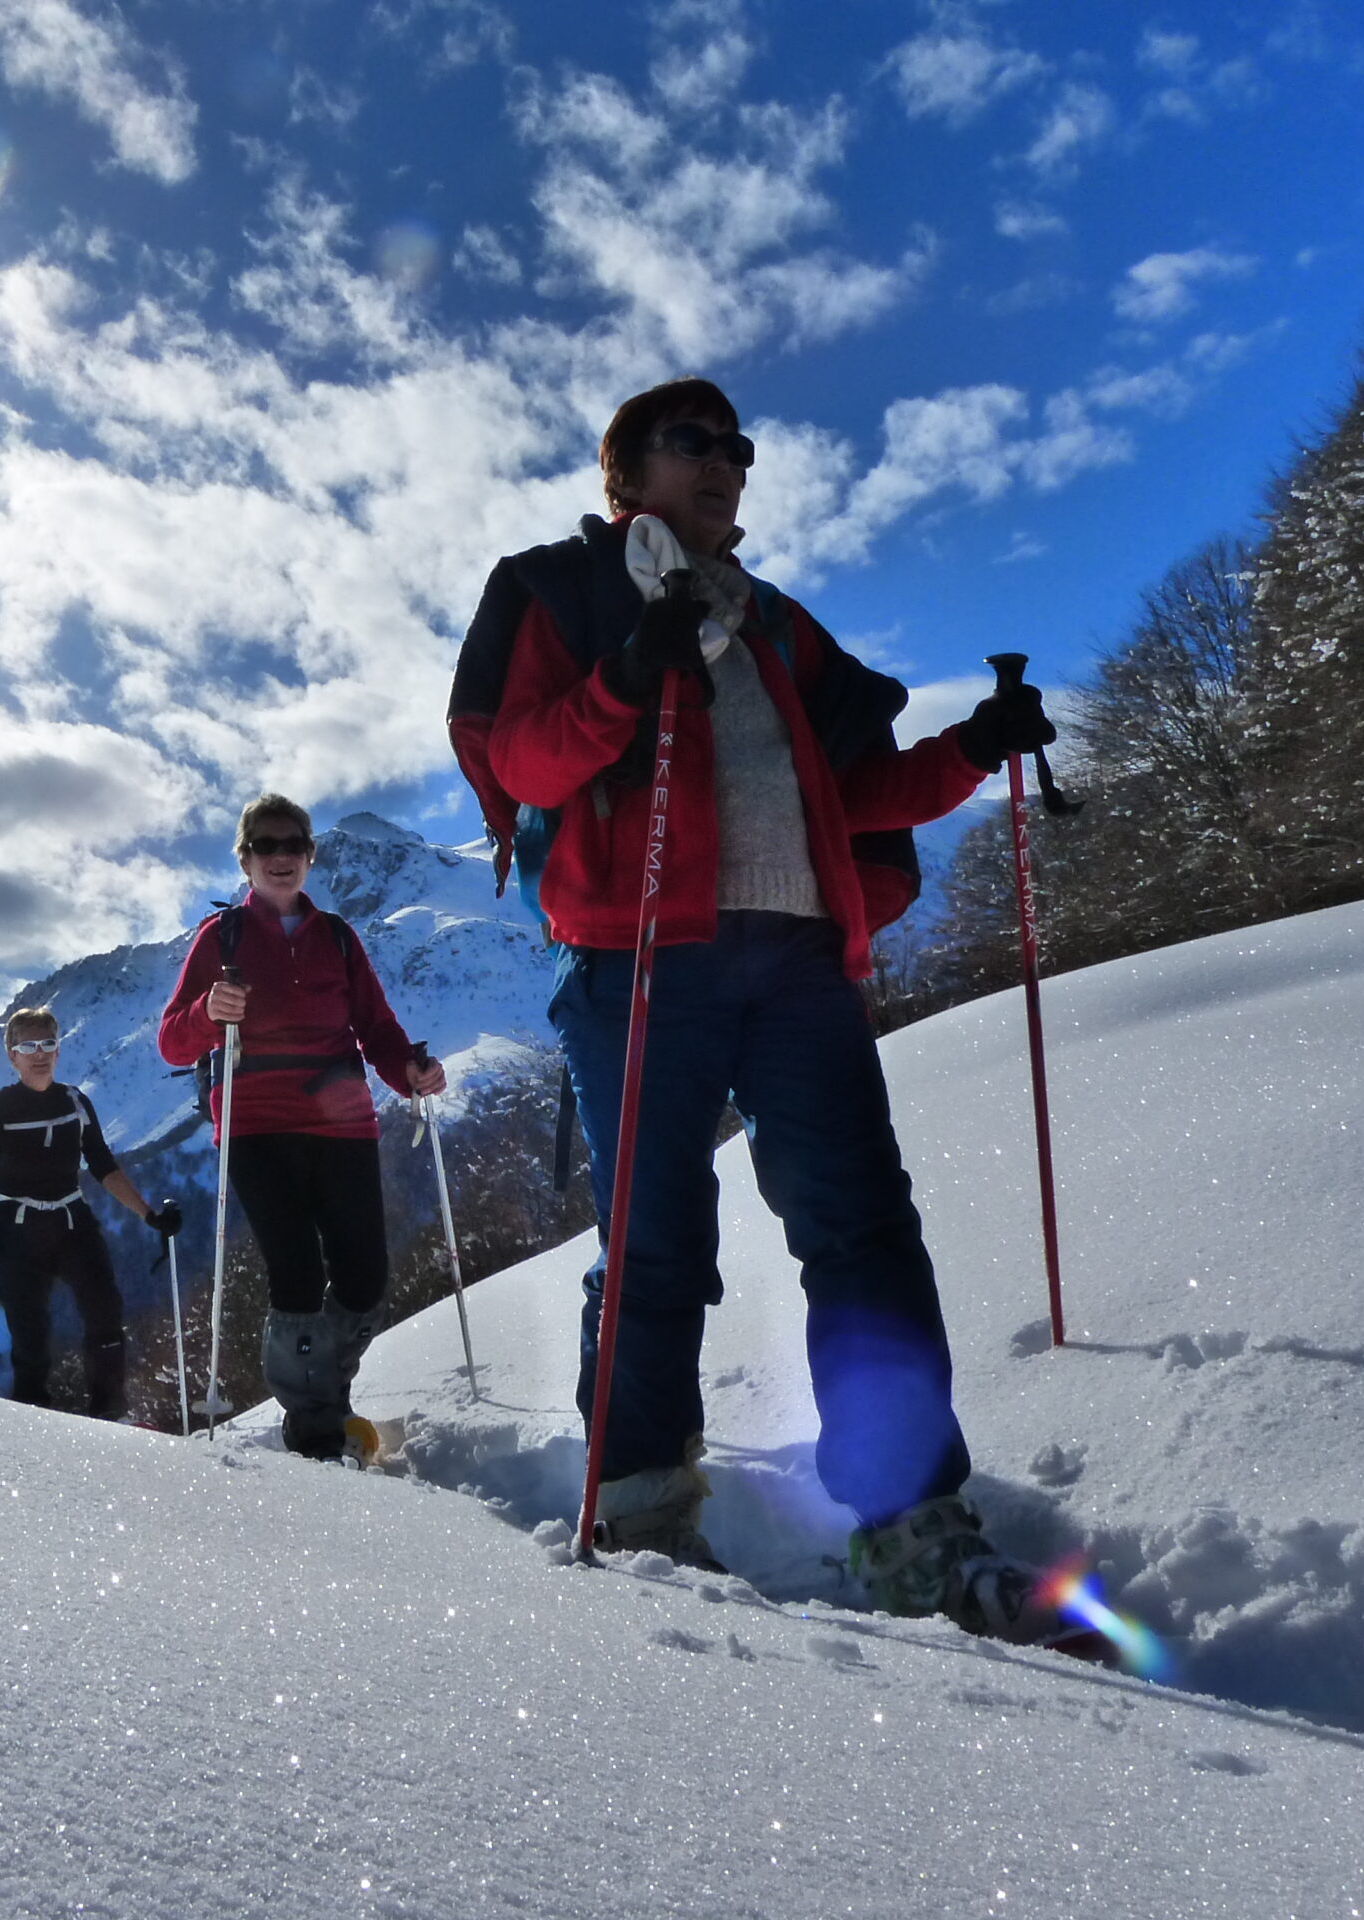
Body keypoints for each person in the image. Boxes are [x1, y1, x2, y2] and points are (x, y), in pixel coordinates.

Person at [456, 378, 1064, 1638]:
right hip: (636, 959)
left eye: (737, 447)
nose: (727, 462)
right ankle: (635, 1507)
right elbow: (522, 758)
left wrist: (969, 746)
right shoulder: (552, 589)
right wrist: (628, 672)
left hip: (793, 957)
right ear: (623, 475)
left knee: (861, 1232)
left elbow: (858, 790)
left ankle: (914, 1529)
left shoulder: (780, 626)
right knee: (658, 1244)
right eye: (694, 444)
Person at [156, 796, 449, 1459]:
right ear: (245, 858)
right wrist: (207, 1012)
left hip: (342, 1123)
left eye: (294, 845)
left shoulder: (338, 938)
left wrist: (412, 1073)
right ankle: (313, 1424)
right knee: (294, 1271)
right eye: (266, 845)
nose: (281, 856)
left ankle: (324, 1388)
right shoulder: (221, 939)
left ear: (311, 855)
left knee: (365, 1280)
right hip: (256, 1124)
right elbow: (173, 1043)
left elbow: (375, 1028)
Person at [0, 1007, 179, 1419]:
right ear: (12, 1056)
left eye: (48, 1044)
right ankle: (31, 1418)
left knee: (104, 1311)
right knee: (29, 1333)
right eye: (28, 1046)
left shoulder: (74, 1101)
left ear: (58, 1051)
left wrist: (149, 1215)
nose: (39, 1054)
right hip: (17, 1230)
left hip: (71, 1221)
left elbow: (103, 1165)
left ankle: (110, 1414)